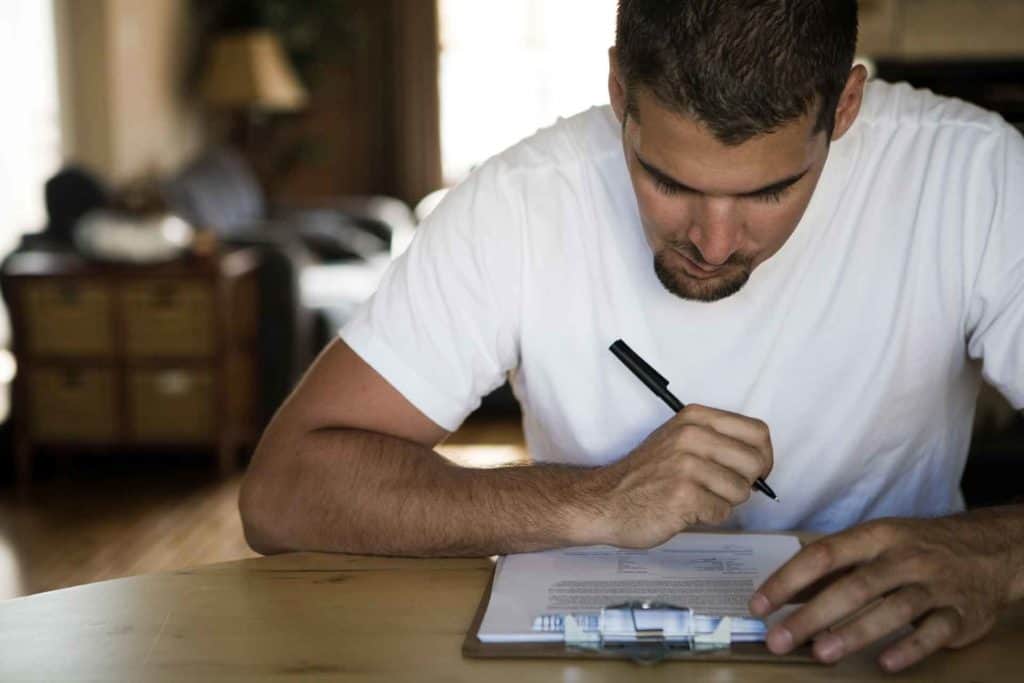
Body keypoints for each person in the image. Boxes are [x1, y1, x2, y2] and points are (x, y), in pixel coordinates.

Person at [239, 0, 1024, 672]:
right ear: (619, 89)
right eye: (669, 180)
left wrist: (996, 552)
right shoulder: (519, 204)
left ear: (845, 107)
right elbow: (281, 493)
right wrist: (593, 500)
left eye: (772, 189)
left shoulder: (976, 178)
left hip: (894, 665)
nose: (713, 243)